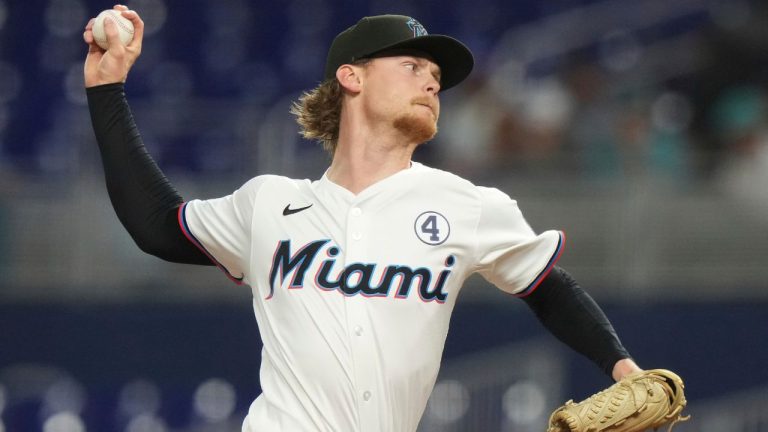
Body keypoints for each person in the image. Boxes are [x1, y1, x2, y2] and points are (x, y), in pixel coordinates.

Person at [84, 6, 641, 432]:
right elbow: (158, 224)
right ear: (352, 77)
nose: (432, 83)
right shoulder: (270, 204)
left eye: (436, 78)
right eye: (413, 66)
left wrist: (624, 370)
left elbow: (547, 287)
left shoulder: (466, 205)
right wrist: (106, 88)